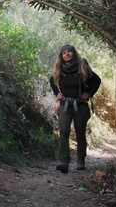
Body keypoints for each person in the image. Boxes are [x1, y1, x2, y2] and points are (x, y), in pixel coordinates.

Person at [49, 45, 101, 173]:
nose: (67, 54)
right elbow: (52, 80)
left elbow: (97, 80)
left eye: (70, 52)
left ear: (74, 53)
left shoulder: (81, 66)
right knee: (64, 131)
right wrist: (57, 94)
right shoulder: (59, 68)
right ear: (61, 55)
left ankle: (80, 160)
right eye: (64, 53)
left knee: (80, 132)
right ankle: (63, 162)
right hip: (65, 104)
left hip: (80, 105)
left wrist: (88, 93)